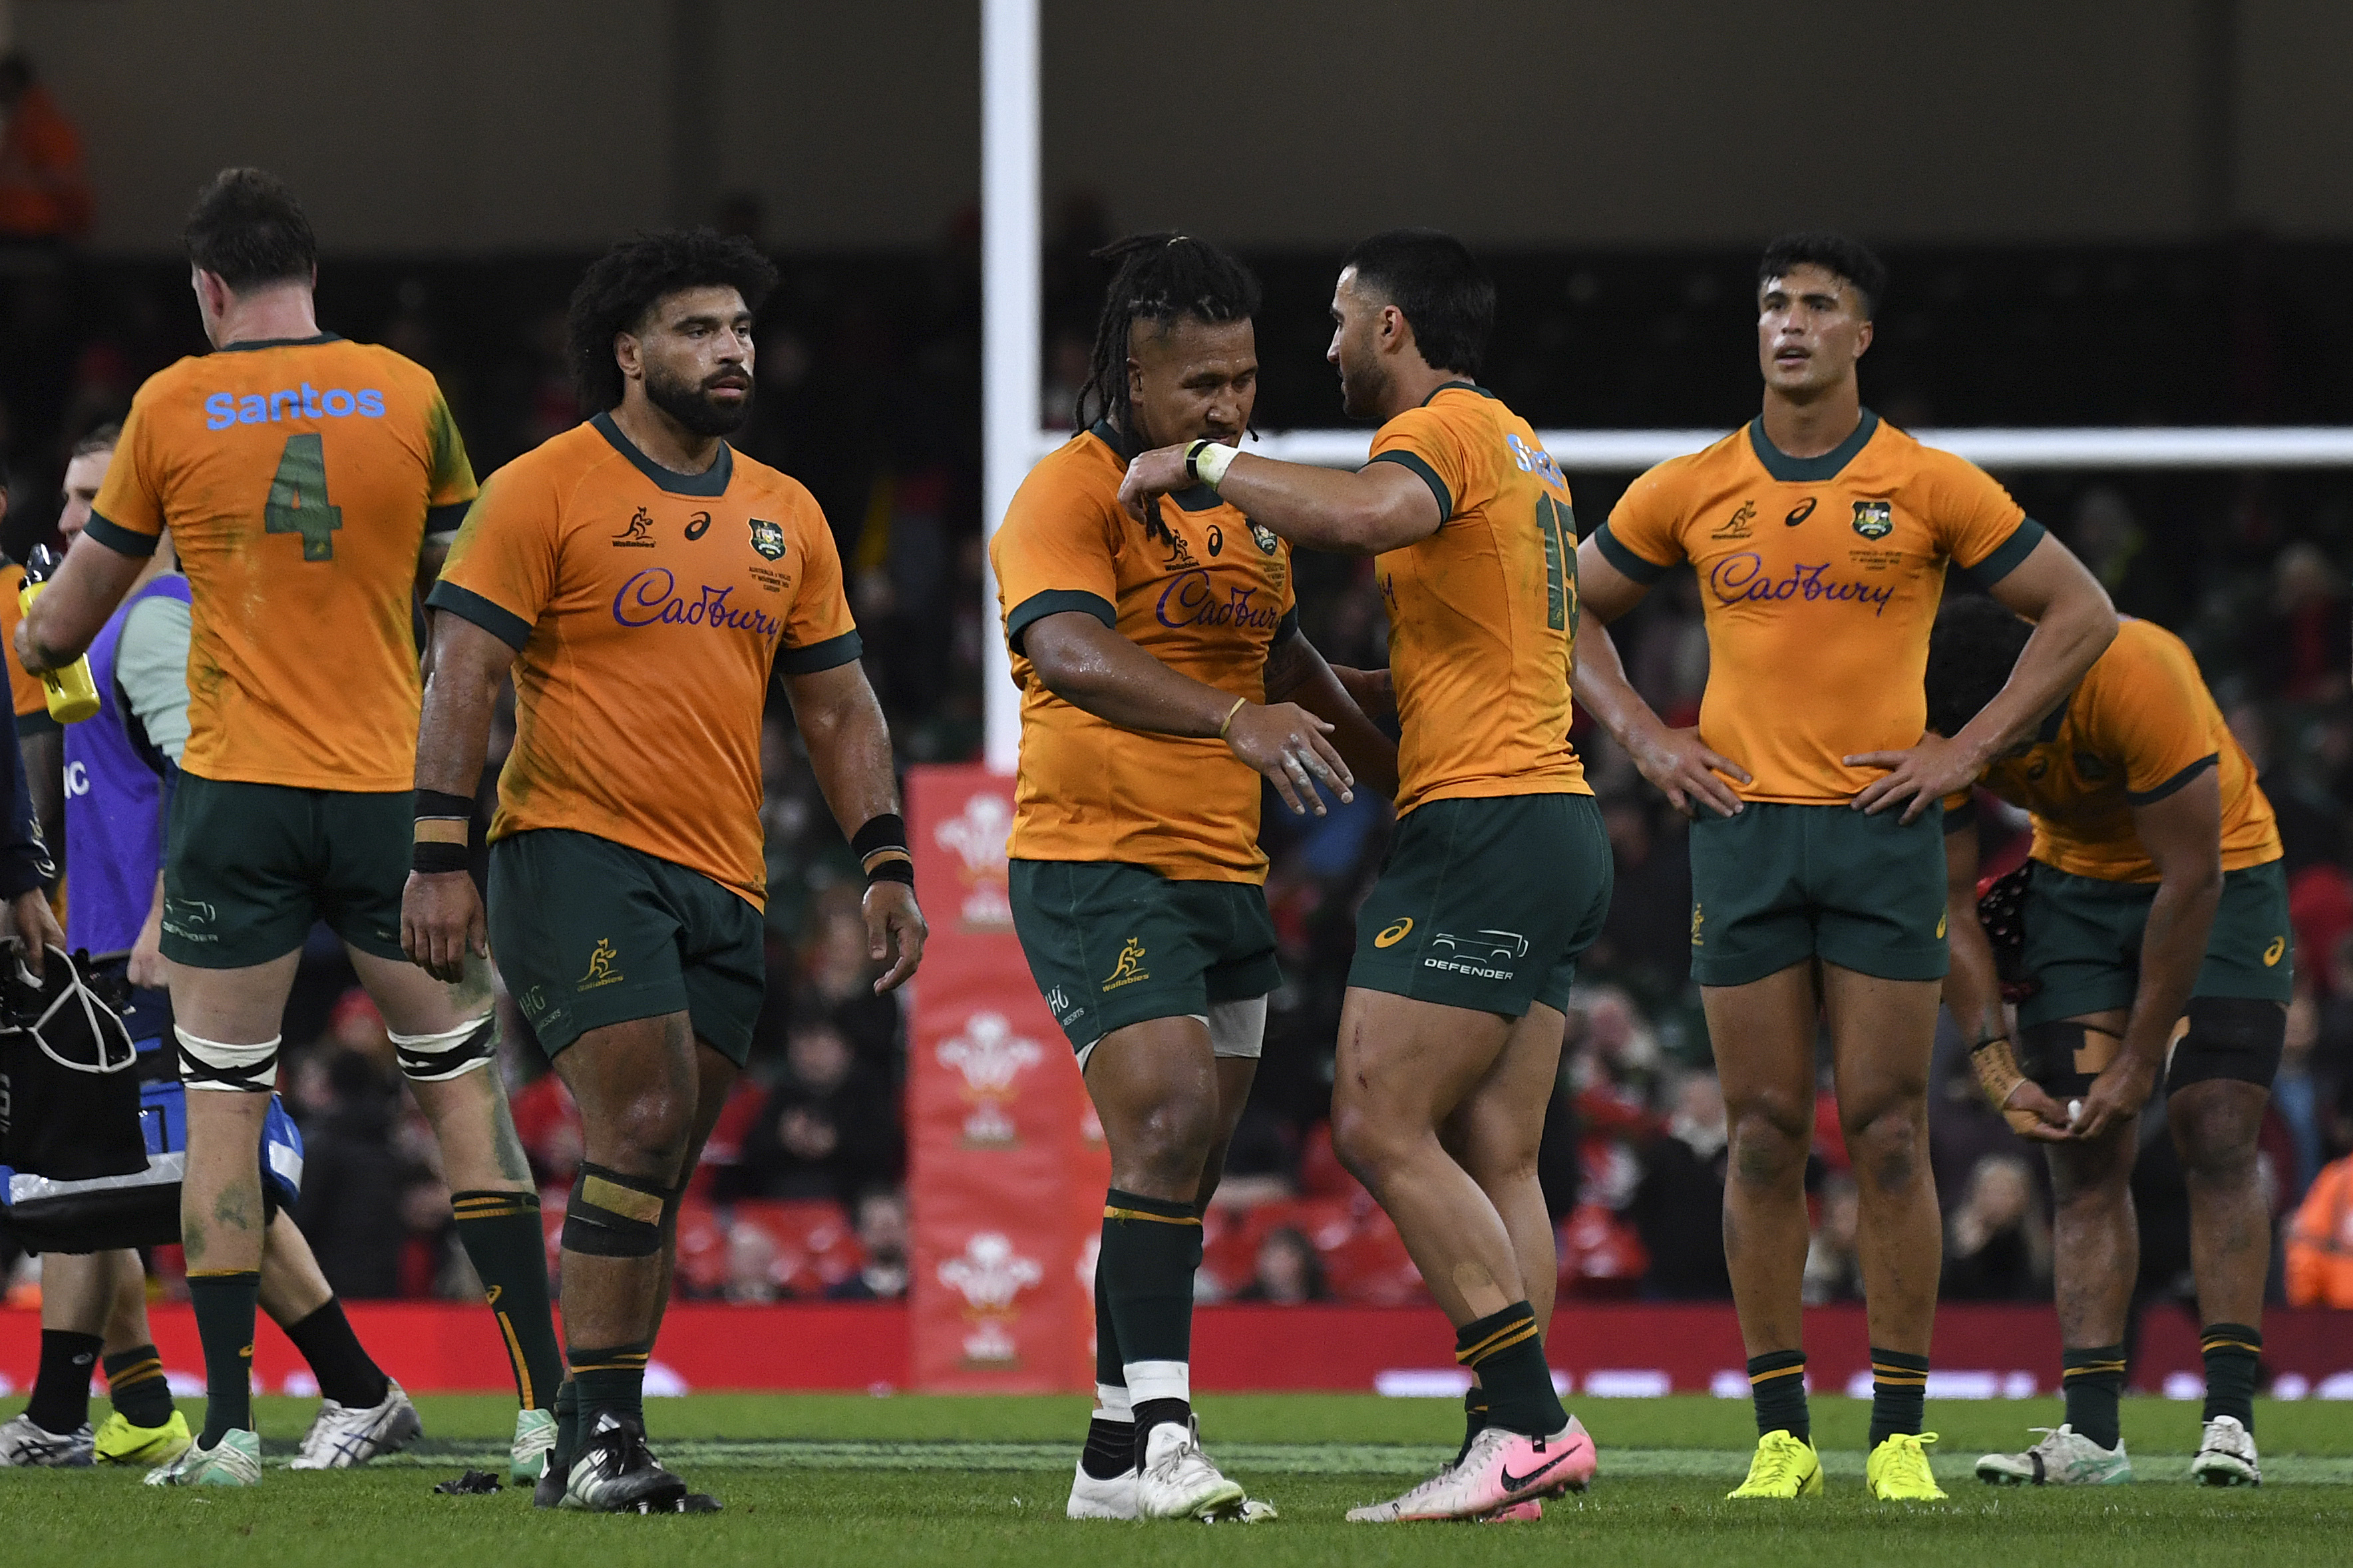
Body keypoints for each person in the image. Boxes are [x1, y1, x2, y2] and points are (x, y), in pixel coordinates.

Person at [13, 169, 562, 1488]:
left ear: (208, 287)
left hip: (238, 807)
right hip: (385, 792)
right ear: (312, 273)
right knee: (463, 1096)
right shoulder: (407, 392)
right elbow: (474, 588)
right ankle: (553, 1411)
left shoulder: (169, 403)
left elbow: (58, 628)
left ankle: (227, 1440)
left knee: (218, 1110)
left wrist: (60, 618)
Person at [1569, 232, 2117, 1502]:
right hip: (1745, 831)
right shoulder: (1694, 485)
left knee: (1884, 1130)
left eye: (1820, 305)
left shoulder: (1926, 485)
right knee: (1762, 1134)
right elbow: (1568, 606)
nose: (1792, 323)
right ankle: (1779, 1434)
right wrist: (1649, 741)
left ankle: (1901, 1436)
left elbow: (2080, 611)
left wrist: (1966, 748)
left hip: (1882, 832)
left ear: (1862, 335)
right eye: (1775, 303)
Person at [403, 228, 926, 1512]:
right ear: (629, 353)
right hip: (573, 849)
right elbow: (462, 671)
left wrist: (886, 862)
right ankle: (597, 1445)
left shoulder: (787, 513)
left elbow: (841, 707)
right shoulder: (542, 489)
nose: (732, 348)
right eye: (700, 329)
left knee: (656, 1166)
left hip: (725, 881)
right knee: (632, 1128)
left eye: (741, 327)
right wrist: (436, 853)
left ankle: (582, 1434)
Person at [1119, 228, 1606, 1523]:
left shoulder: (1435, 435)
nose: (1323, 347)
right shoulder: (1519, 445)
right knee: (1501, 1152)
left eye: (1337, 320)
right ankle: (1511, 1460)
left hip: (1486, 825)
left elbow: (1362, 516)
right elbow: (1474, 656)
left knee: (1380, 1122)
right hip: (1554, 818)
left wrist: (1206, 464)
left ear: (1391, 327)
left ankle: (1530, 1425)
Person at [993, 232, 1389, 1524]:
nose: (1228, 406)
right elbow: (1065, 647)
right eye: (1200, 386)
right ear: (1130, 376)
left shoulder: (1245, 502)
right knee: (1160, 1129)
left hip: (1223, 873)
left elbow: (1287, 671)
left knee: (1184, 1167)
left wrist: (1431, 757)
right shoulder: (1069, 489)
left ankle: (1111, 1455)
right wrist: (1231, 726)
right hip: (1096, 862)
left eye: (1242, 379)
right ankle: (1167, 1435)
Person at [1930, 598, 2292, 1487]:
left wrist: (2138, 1057)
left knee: (2214, 1124)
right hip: (2075, 889)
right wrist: (1994, 1063)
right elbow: (1946, 900)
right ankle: (2092, 1432)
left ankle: (2231, 1416)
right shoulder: (1929, 714)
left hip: (2224, 872)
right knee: (2081, 1150)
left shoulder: (2138, 669)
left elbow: (2191, 875)